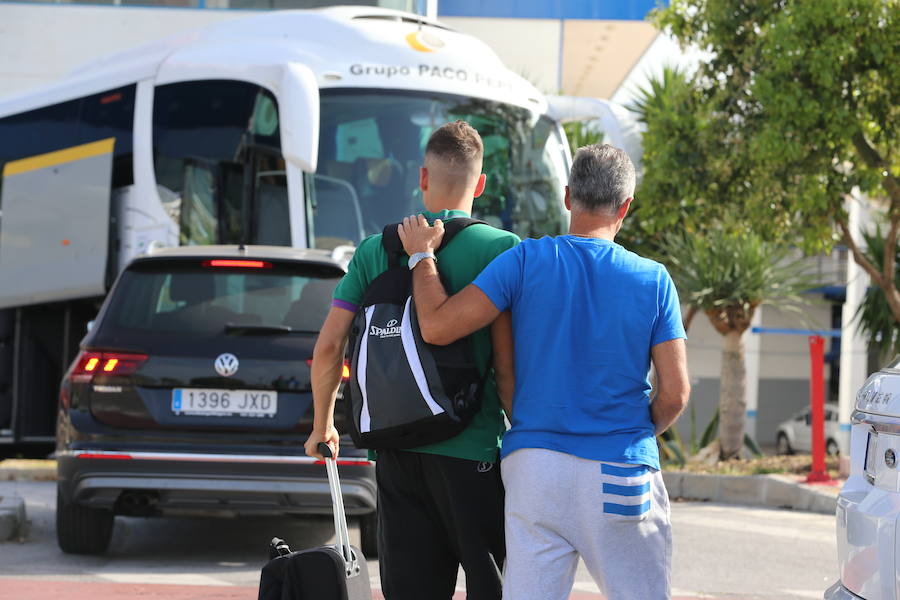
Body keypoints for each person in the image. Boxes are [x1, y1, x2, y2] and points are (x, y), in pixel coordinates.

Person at [396, 143, 691, 600]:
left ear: (568, 196)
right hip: (622, 471)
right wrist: (626, 431)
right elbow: (674, 394)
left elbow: (436, 326)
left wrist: (422, 257)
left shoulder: (523, 261)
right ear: (626, 206)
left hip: (536, 470)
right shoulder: (653, 280)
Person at [303, 120, 518, 600]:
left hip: (396, 448)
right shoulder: (502, 250)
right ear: (480, 184)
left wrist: (323, 426)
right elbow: (506, 367)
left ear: (422, 178)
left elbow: (328, 348)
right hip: (472, 449)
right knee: (494, 586)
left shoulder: (374, 250)